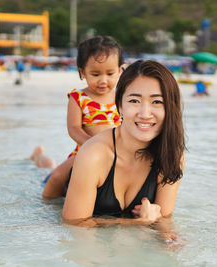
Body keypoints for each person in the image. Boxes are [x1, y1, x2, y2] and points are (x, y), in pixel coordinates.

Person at [62, 60, 185, 229]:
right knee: (49, 172)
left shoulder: (171, 155)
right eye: (134, 101)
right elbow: (73, 224)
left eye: (157, 102)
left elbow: (164, 221)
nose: (145, 114)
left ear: (171, 107)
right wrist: (137, 223)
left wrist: (171, 242)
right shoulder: (93, 154)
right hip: (66, 190)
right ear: (119, 105)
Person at [30, 36, 124, 198]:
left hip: (115, 153)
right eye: (95, 74)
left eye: (110, 73)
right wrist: (92, 144)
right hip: (85, 150)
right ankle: (39, 156)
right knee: (55, 174)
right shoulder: (78, 98)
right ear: (82, 72)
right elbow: (73, 128)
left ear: (120, 71)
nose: (103, 80)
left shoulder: (123, 98)